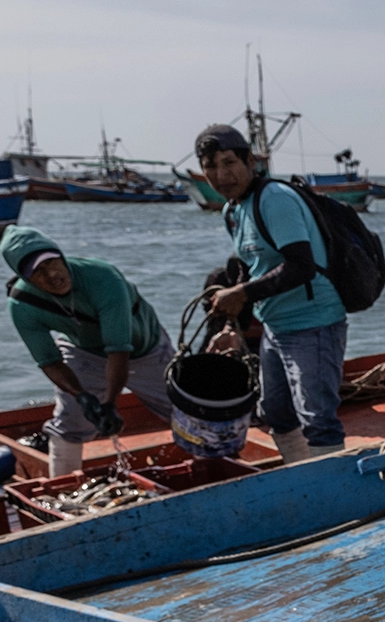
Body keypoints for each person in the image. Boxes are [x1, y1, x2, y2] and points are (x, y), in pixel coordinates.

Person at [195, 123, 347, 464]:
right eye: (210, 167)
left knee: (318, 419)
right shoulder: (232, 211)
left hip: (313, 323)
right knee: (275, 412)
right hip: (274, 327)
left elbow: (301, 265)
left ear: (251, 161)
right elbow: (251, 269)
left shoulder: (275, 199)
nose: (221, 175)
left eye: (229, 162)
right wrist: (232, 329)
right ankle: (301, 473)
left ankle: (331, 489)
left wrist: (241, 293)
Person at [1, 225, 174, 474]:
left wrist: (110, 402)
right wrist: (81, 395)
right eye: (37, 273)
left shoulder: (103, 277)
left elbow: (118, 349)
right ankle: (61, 487)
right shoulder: (21, 304)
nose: (51, 275)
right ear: (25, 279)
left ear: (61, 256)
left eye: (51, 263)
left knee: (185, 409)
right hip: (84, 350)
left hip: (144, 349)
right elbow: (49, 361)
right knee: (71, 419)